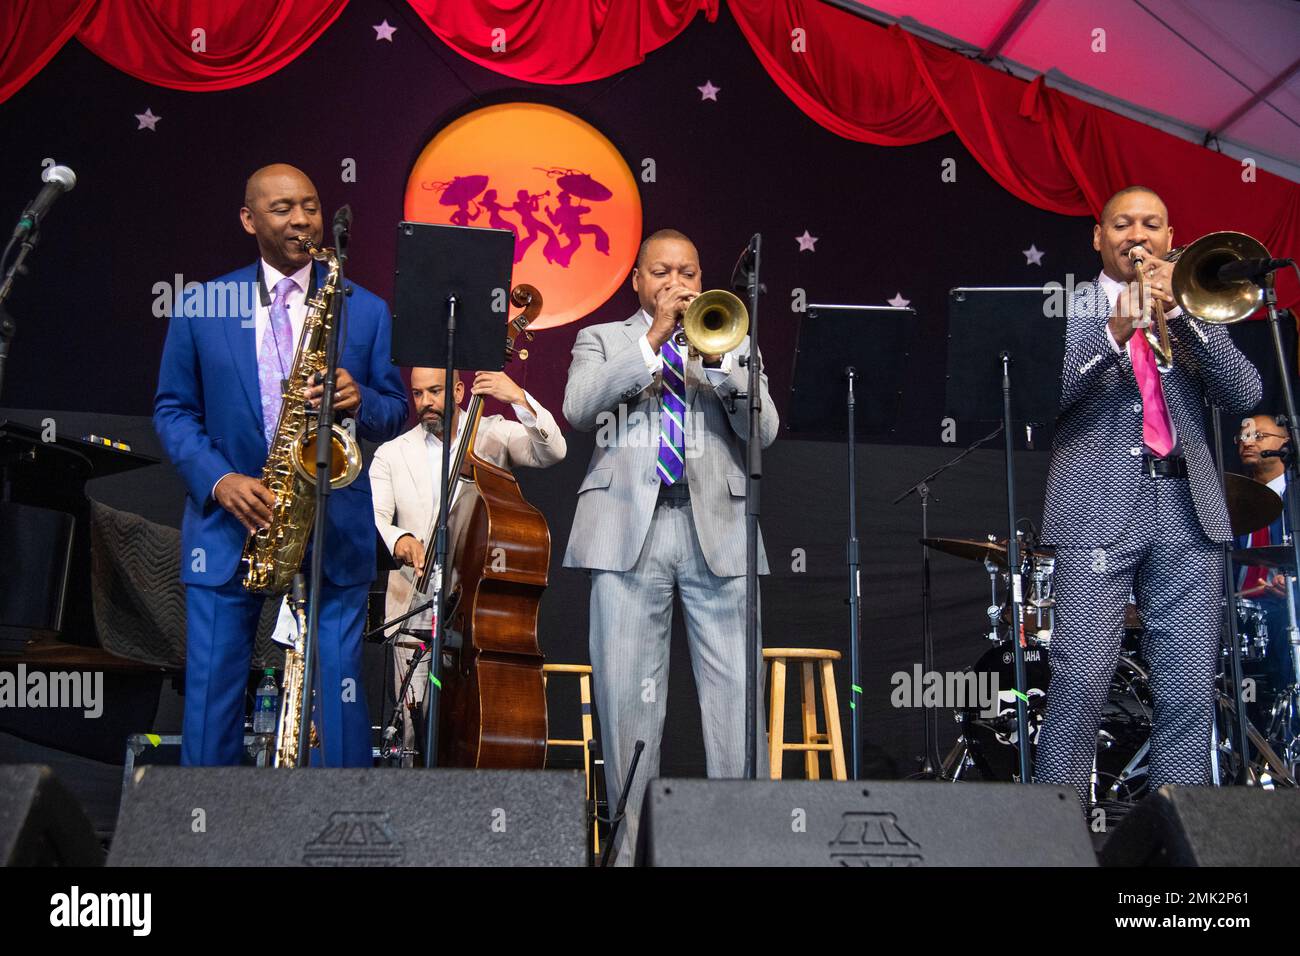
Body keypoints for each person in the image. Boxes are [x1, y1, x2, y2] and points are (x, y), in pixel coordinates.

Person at [154, 164, 408, 767]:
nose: (302, 220)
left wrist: (361, 399)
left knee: (340, 699)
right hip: (230, 521)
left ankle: (344, 842)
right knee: (213, 696)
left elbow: (396, 410)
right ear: (249, 220)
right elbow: (172, 410)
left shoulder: (365, 310)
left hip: (332, 524)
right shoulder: (201, 305)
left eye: (311, 206)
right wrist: (220, 480)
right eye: (283, 209)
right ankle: (206, 841)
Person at [1036, 185, 1262, 805]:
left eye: (1152, 225)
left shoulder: (1191, 306)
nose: (1138, 236)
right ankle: (1058, 838)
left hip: (1189, 512)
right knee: (1080, 684)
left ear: (1170, 238)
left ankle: (1177, 843)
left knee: (1188, 692)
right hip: (1094, 513)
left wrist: (1185, 316)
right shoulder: (1066, 307)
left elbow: (1245, 394)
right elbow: (1042, 395)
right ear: (1098, 237)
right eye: (1123, 224)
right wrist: (1116, 329)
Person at [562, 228, 777, 862]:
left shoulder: (730, 334)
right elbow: (579, 407)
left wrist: (724, 363)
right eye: (662, 272)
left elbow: (763, 430)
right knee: (628, 709)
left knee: (737, 707)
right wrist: (652, 341)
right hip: (630, 533)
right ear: (637, 280)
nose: (676, 285)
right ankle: (629, 859)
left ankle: (744, 855)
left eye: (687, 272)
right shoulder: (601, 339)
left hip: (721, 531)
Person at [370, 366, 566, 763]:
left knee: (474, 725)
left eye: (436, 392)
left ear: (459, 390)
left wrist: (518, 398)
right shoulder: (391, 453)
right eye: (419, 393)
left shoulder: (493, 432)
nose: (426, 402)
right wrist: (400, 538)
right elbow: (373, 519)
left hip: (477, 612)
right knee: (413, 732)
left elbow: (553, 451)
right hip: (414, 608)